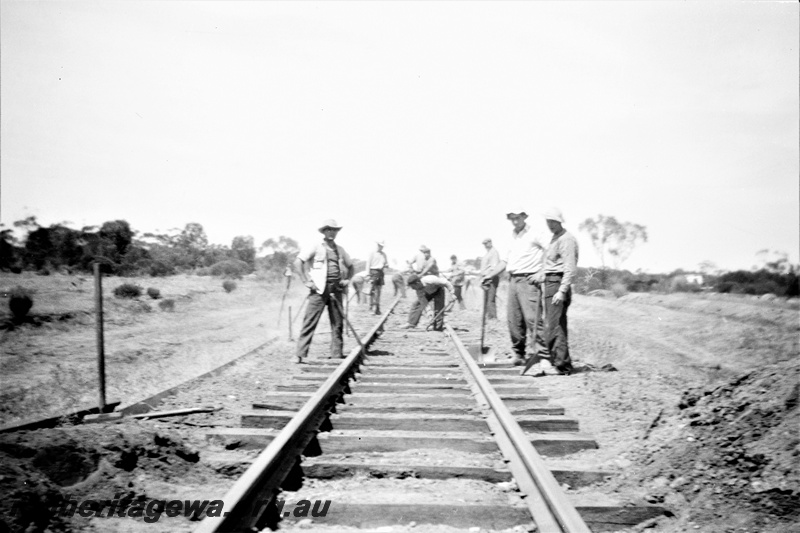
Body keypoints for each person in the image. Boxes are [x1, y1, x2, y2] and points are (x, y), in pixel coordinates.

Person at [481, 208, 549, 366]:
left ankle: (544, 356)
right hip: (513, 280)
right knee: (514, 320)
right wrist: (489, 275)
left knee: (533, 319)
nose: (515, 220)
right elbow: (504, 262)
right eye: (512, 218)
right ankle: (519, 354)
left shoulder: (535, 233)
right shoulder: (510, 237)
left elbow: (551, 250)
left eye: (518, 217)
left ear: (524, 217)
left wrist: (543, 272)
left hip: (529, 280)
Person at [294, 219, 354, 363]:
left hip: (336, 289)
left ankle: (336, 354)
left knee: (338, 323)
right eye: (329, 230)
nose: (331, 233)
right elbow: (298, 262)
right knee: (310, 321)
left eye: (334, 230)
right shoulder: (315, 246)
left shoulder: (340, 250)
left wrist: (347, 280)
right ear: (324, 231)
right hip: (319, 289)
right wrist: (306, 281)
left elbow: (351, 267)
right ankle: (300, 354)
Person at [536, 207, 579, 375]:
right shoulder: (555, 238)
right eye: (548, 222)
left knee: (552, 326)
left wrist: (561, 291)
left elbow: (570, 268)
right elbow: (549, 264)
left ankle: (560, 364)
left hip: (558, 283)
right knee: (557, 326)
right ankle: (561, 364)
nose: (550, 225)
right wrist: (541, 276)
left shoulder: (566, 240)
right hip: (550, 282)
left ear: (560, 221)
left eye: (553, 222)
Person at [479, 238, 501, 319]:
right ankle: (488, 317)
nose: (485, 245)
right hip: (486, 278)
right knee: (487, 299)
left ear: (490, 243)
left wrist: (489, 277)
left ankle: (493, 318)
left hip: (491, 278)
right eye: (484, 244)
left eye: (486, 243)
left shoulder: (494, 253)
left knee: (490, 299)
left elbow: (494, 268)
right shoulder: (488, 253)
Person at [368, 240, 389, 315]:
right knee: (372, 291)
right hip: (373, 272)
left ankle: (377, 308)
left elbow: (386, 264)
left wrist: (386, 266)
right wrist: (368, 274)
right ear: (377, 245)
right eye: (380, 245)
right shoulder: (372, 253)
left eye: (382, 246)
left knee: (379, 291)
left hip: (380, 273)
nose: (381, 247)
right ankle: (371, 308)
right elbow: (368, 264)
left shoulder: (384, 254)